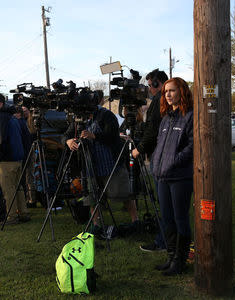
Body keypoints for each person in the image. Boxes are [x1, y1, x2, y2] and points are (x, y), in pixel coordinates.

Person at [64, 91, 137, 231]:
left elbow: (113, 137)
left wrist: (94, 136)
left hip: (111, 163)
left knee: (122, 193)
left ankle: (135, 220)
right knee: (92, 196)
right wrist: (68, 141)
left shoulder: (106, 115)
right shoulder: (79, 118)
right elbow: (66, 134)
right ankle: (96, 225)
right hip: (91, 166)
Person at [152, 77, 194, 276]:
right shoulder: (166, 117)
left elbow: (193, 146)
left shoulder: (190, 116)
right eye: (166, 91)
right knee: (167, 218)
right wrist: (156, 163)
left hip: (180, 177)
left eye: (172, 91)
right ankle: (170, 257)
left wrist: (174, 160)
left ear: (182, 92)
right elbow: (160, 144)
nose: (168, 95)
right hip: (162, 177)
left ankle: (180, 261)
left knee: (180, 219)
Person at [133, 69, 169, 252]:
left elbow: (152, 130)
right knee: (167, 201)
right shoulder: (164, 100)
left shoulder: (159, 100)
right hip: (162, 154)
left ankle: (164, 241)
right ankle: (168, 240)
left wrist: (139, 149)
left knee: (164, 202)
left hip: (159, 155)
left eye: (150, 85)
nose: (149, 89)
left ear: (158, 83)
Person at [0, 94, 30, 224]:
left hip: (7, 159)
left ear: (1, 103)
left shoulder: (2, 119)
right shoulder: (12, 117)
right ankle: (23, 213)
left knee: (9, 189)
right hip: (17, 158)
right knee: (18, 187)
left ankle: (12, 217)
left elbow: (0, 139)